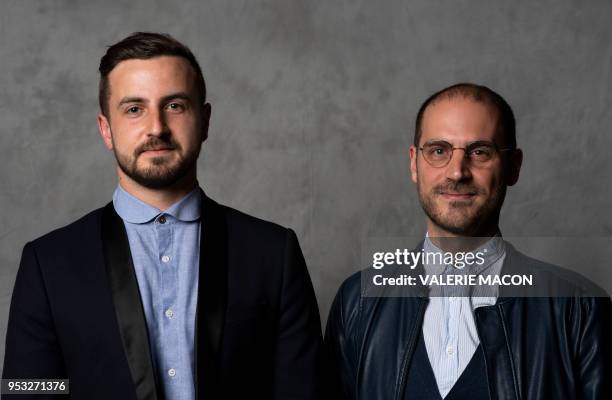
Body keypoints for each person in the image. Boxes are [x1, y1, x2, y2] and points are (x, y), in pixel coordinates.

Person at [2, 32, 324, 400]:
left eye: (174, 105)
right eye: (134, 109)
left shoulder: (273, 254)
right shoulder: (48, 263)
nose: (156, 127)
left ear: (204, 121)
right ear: (106, 129)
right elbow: (27, 394)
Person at [325, 83, 612, 399]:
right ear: (413, 164)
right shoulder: (357, 302)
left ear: (513, 167)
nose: (457, 172)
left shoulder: (580, 309)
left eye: (479, 152)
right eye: (438, 151)